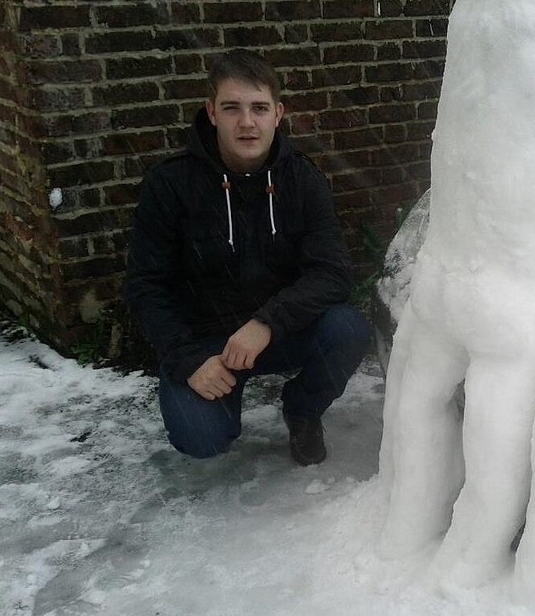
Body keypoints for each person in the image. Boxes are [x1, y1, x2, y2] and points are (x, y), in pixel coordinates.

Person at [125, 49, 370, 465]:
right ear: (212, 112)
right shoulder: (170, 184)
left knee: (347, 329)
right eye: (232, 108)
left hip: (279, 331)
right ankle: (211, 399)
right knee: (200, 437)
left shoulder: (302, 179)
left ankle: (302, 409)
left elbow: (332, 272)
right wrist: (189, 360)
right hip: (208, 344)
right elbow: (145, 285)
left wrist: (266, 323)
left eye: (259, 108)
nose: (247, 122)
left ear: (277, 113)